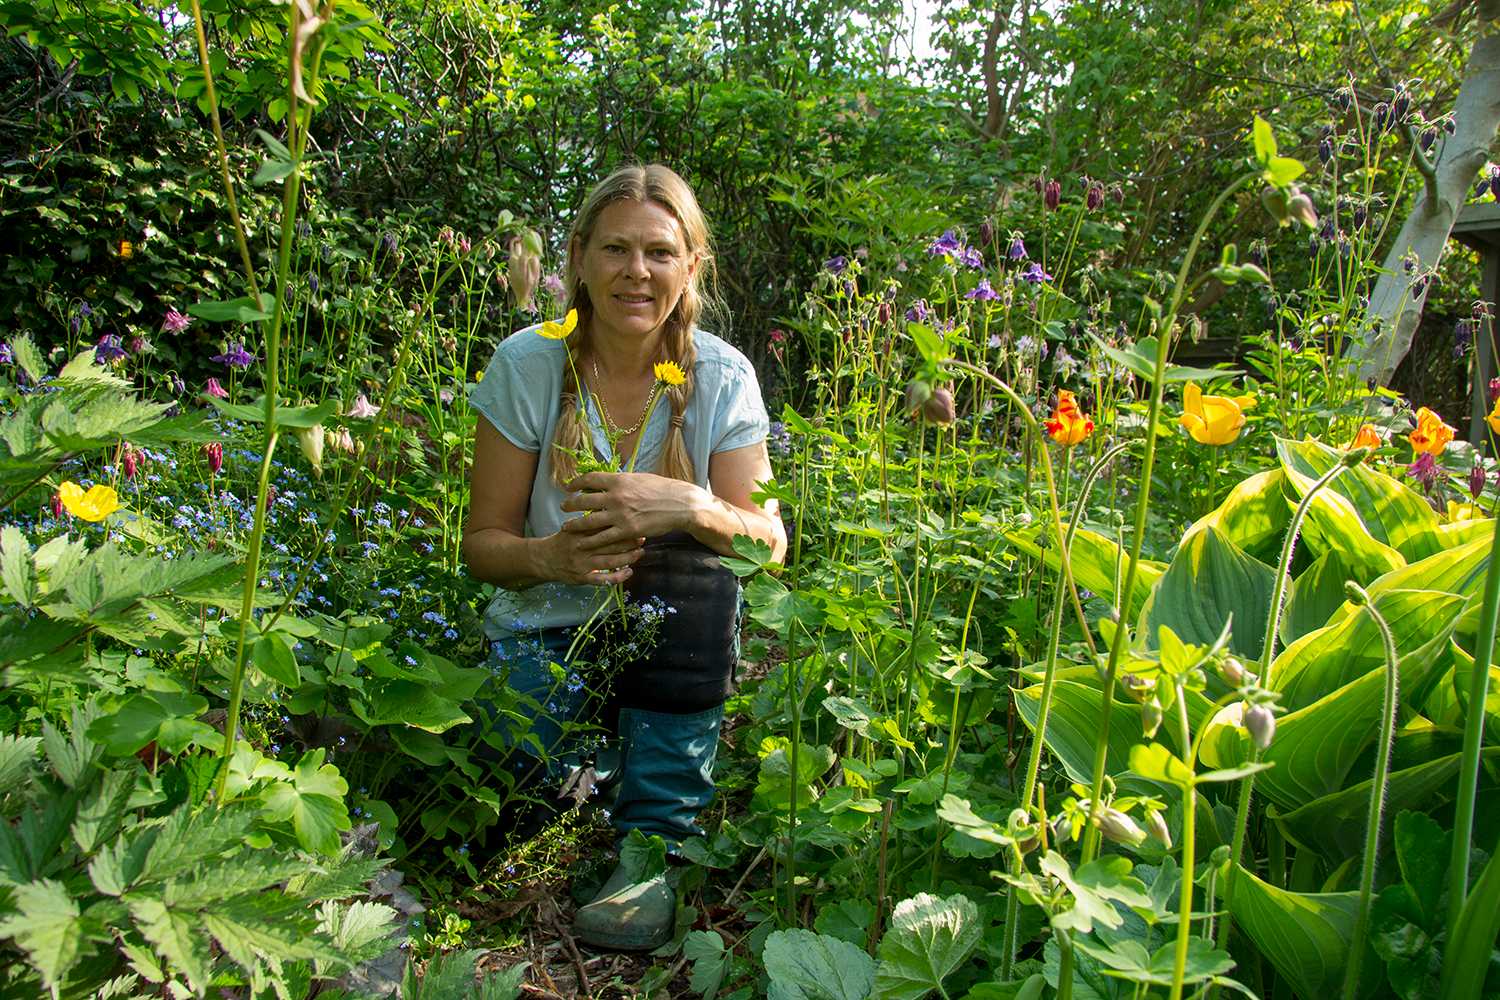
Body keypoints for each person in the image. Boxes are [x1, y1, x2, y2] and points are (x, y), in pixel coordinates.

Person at [463, 164, 787, 951]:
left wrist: (691, 506)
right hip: (546, 630)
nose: (636, 271)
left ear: (691, 266)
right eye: (615, 249)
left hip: (671, 644)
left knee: (701, 569)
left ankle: (653, 851)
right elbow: (481, 546)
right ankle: (591, 784)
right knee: (519, 820)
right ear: (579, 257)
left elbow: (770, 544)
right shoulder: (527, 363)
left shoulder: (722, 375)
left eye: (659, 252)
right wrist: (549, 558)